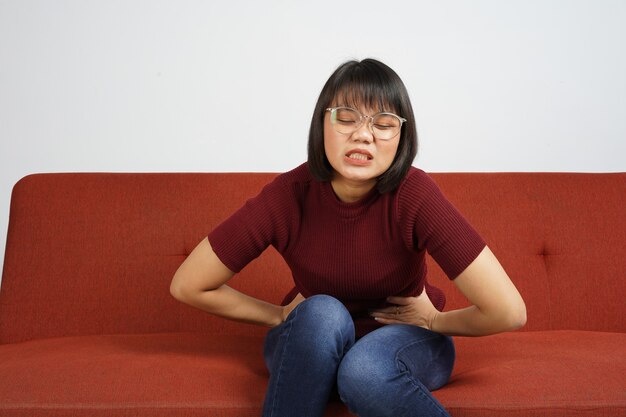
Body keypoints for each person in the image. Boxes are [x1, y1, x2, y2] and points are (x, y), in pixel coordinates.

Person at [170, 58, 526, 417]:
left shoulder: (415, 194)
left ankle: (347, 374)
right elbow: (189, 284)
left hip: (404, 341)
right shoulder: (288, 195)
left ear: (401, 137)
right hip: (312, 342)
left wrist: (433, 321)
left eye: (384, 124)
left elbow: (508, 311)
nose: (363, 134)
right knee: (324, 312)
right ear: (321, 124)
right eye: (346, 117)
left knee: (363, 370)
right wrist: (277, 315)